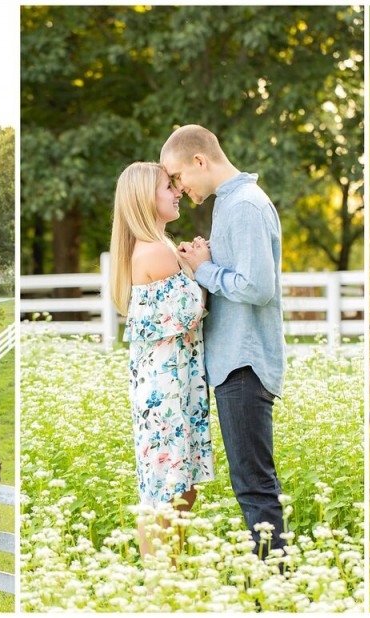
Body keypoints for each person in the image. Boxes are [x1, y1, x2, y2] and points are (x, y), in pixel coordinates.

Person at [161, 124, 287, 559]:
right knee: (250, 482)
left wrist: (204, 270)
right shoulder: (230, 205)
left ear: (200, 161)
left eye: (178, 177)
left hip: (245, 361)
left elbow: (257, 287)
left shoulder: (245, 206)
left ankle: (276, 585)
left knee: (254, 485)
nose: (179, 188)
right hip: (233, 360)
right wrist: (207, 258)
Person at [109, 161, 215, 559]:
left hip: (171, 383)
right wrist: (198, 264)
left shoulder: (159, 246)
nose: (176, 191)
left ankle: (170, 577)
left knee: (178, 486)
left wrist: (188, 264)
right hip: (165, 391)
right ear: (144, 198)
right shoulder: (155, 250)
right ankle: (160, 583)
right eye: (167, 186)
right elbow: (192, 309)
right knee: (167, 489)